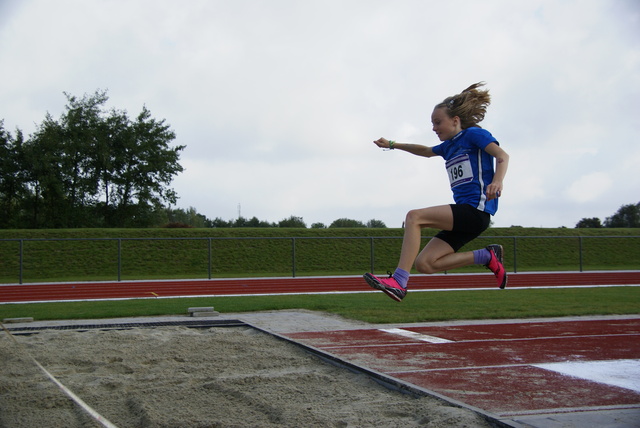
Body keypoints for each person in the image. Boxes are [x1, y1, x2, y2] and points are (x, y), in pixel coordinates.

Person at [363, 82, 510, 302]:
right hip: (465, 219)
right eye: (432, 123)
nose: (434, 128)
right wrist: (392, 144)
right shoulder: (448, 146)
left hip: (475, 211)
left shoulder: (473, 135)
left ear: (455, 120)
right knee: (426, 263)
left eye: (437, 122)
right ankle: (486, 256)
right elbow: (424, 150)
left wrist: (497, 181)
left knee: (415, 217)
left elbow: (502, 156)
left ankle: (399, 282)